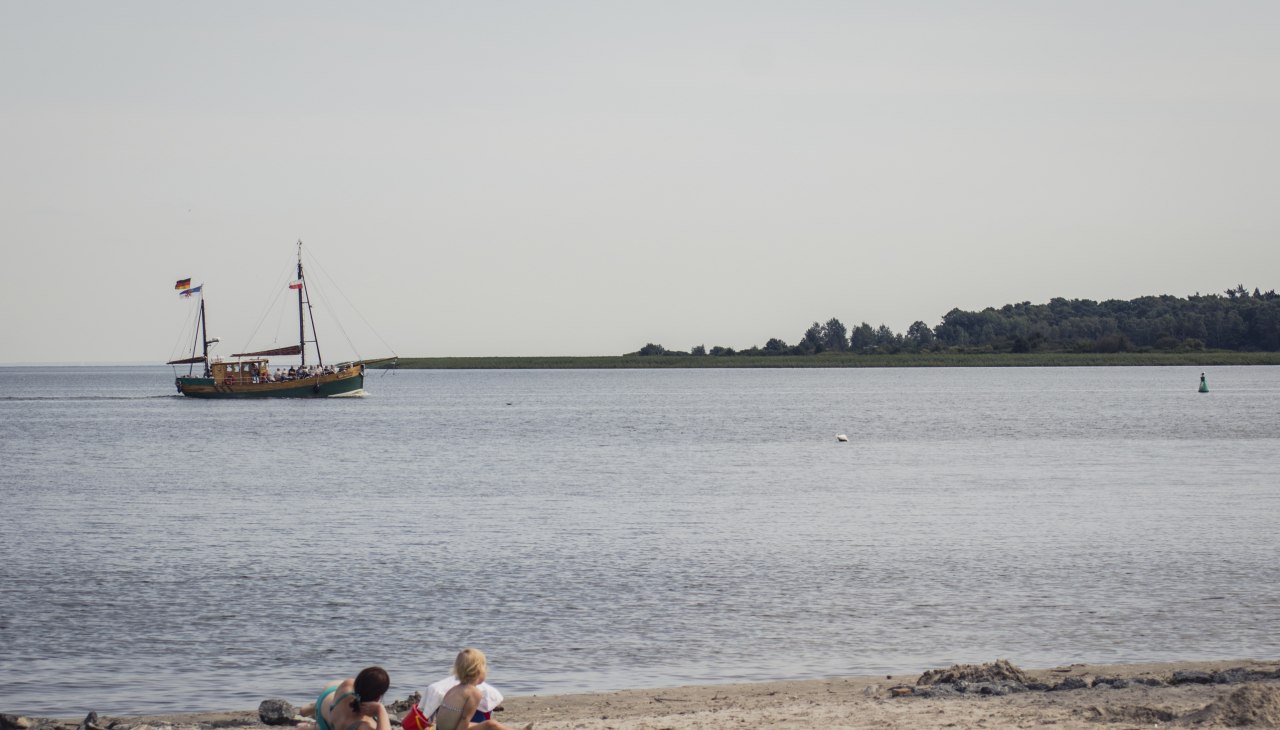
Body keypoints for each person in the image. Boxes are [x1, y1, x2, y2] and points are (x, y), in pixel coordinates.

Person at [432, 649, 531, 730]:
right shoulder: (474, 693)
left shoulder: (454, 689)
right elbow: (465, 719)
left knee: (481, 724)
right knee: (491, 724)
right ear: (478, 671)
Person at [300, 666, 392, 730]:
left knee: (318, 706)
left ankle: (307, 709)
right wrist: (381, 710)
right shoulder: (363, 725)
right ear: (378, 697)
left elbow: (363, 684)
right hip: (326, 722)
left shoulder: (349, 684)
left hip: (326, 698)